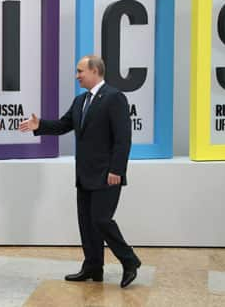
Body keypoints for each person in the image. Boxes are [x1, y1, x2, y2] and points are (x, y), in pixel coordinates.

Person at [19, 55, 141, 288]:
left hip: (107, 174)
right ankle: (93, 267)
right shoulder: (80, 101)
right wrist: (40, 125)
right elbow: (64, 125)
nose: (77, 76)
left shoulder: (115, 98)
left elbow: (123, 139)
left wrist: (117, 169)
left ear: (95, 71)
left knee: (101, 220)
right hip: (84, 174)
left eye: (80, 71)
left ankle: (129, 261)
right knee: (86, 222)